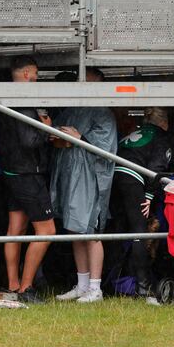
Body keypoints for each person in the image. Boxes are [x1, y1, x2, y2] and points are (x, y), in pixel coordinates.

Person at [51, 69, 118, 303]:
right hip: (70, 178)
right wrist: (64, 140)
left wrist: (78, 139)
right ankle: (81, 284)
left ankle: (95, 287)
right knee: (75, 230)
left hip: (91, 179)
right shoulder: (71, 109)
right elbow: (55, 137)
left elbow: (106, 148)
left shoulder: (104, 114)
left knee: (91, 231)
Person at [0, 56, 56, 303]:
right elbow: (29, 140)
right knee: (47, 230)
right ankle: (26, 287)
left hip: (12, 170)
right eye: (35, 73)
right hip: (27, 173)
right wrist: (47, 128)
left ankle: (13, 285)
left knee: (16, 230)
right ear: (25, 74)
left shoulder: (7, 97)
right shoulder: (24, 102)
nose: (38, 78)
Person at [109, 107, 173, 304]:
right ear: (165, 122)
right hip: (132, 178)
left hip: (113, 176)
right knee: (140, 230)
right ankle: (143, 288)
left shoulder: (136, 131)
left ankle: (114, 280)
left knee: (118, 229)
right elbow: (157, 170)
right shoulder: (161, 137)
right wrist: (149, 195)